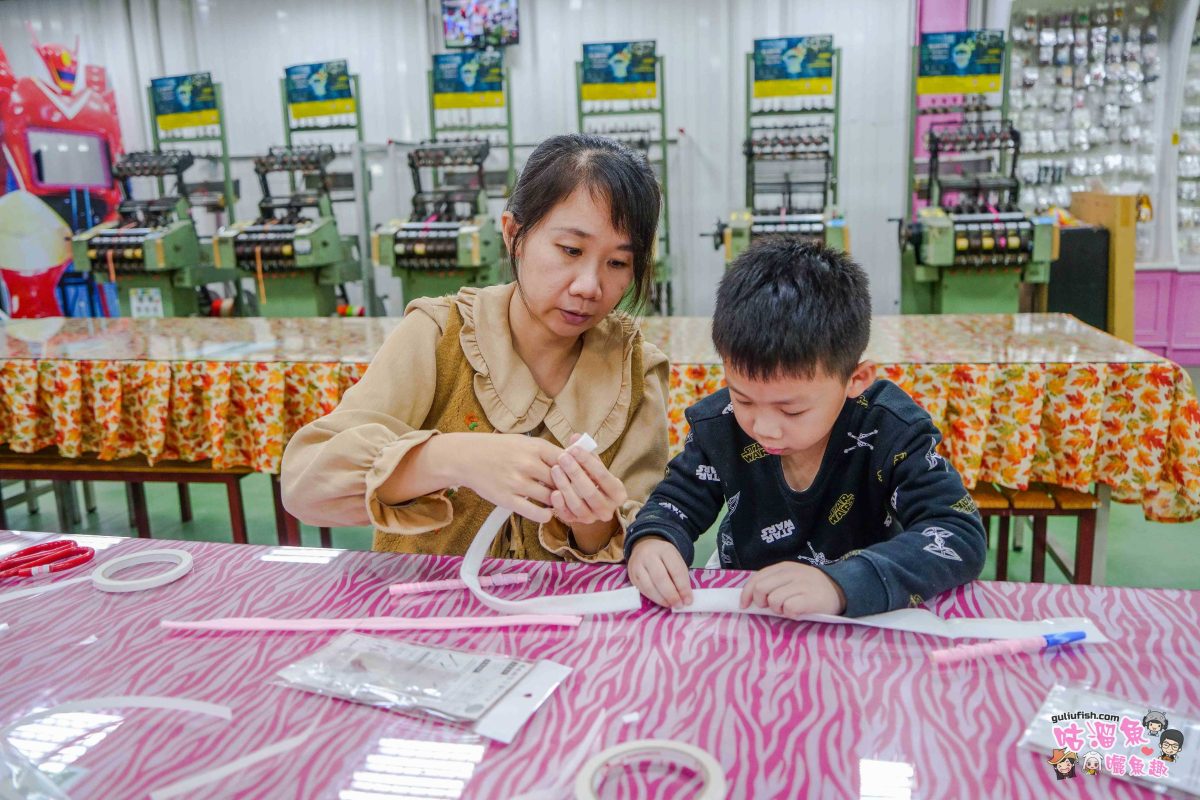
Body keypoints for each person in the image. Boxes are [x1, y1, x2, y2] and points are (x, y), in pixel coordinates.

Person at [282, 134, 669, 563]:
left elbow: (639, 537)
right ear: (513, 234)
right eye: (571, 250)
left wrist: (591, 520)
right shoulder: (438, 336)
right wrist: (450, 457)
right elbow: (305, 486)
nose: (589, 286)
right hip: (427, 619)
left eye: (618, 263)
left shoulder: (636, 371)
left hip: (563, 622)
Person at [624, 238, 986, 617]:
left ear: (856, 379)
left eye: (791, 410)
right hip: (750, 610)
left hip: (861, 619)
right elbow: (674, 502)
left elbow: (957, 533)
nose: (764, 428)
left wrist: (841, 583)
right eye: (743, 398)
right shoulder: (721, 425)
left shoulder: (889, 428)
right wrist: (652, 539)